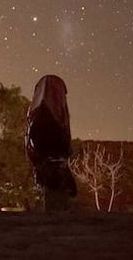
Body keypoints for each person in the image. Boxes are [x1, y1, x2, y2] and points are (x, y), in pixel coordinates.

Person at [25, 74, 77, 211]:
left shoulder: (35, 114)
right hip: (51, 169)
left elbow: (30, 145)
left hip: (48, 167)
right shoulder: (47, 114)